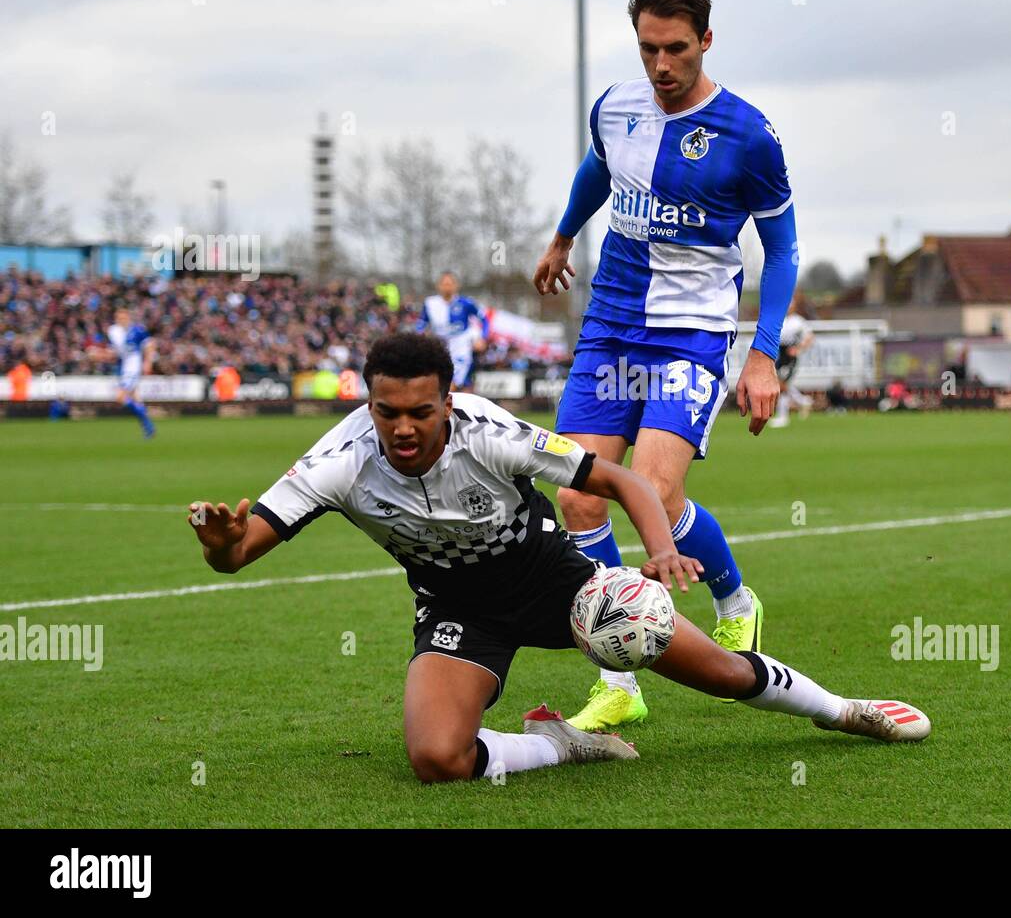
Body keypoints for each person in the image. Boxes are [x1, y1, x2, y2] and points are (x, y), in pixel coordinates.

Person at [185, 333, 930, 784]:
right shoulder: (338, 460)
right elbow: (241, 552)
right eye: (387, 412)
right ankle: (557, 744)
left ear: (449, 399)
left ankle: (843, 710)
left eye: (420, 410)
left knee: (727, 673)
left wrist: (659, 552)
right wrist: (223, 546)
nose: (403, 428)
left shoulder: (491, 430)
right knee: (437, 761)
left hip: (561, 584)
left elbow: (622, 478)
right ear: (368, 404)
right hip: (457, 610)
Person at [532, 0, 799, 730]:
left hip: (690, 333)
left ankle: (734, 598)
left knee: (657, 491)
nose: (661, 65)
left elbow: (781, 251)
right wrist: (560, 236)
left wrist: (763, 352)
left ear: (706, 41)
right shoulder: (614, 107)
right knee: (580, 495)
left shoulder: (749, 135)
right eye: (648, 48)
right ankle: (620, 678)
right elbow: (597, 169)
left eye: (676, 49)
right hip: (612, 323)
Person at [417, 271, 487, 391]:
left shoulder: (466, 303)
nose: (447, 287)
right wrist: (419, 337)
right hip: (439, 345)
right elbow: (421, 324)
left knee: (453, 383)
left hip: (460, 345)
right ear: (438, 286)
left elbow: (485, 319)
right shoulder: (430, 303)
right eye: (444, 284)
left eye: (450, 284)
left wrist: (482, 338)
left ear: (456, 285)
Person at [105, 307, 156, 438]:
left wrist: (147, 362)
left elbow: (150, 345)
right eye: (119, 318)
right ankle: (147, 427)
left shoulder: (137, 330)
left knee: (120, 397)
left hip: (133, 367)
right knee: (135, 398)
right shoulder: (113, 331)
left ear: (128, 318)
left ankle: (148, 423)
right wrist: (98, 354)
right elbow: (113, 353)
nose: (121, 320)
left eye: (124, 317)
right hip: (122, 367)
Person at [771, 306, 815, 427]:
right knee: (783, 384)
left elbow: (810, 337)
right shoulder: (780, 319)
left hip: (790, 357)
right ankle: (803, 401)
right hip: (780, 355)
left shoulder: (798, 321)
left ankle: (783, 417)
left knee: (782, 385)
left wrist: (799, 348)